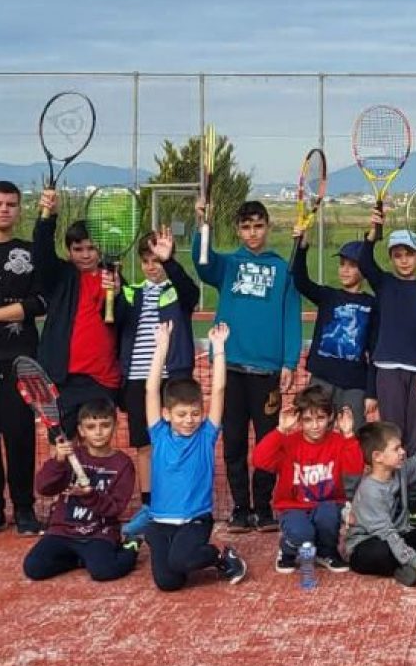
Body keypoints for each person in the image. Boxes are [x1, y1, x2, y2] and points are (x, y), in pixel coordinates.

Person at [194, 199, 300, 533]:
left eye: (258, 226)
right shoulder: (228, 265)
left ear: (267, 227)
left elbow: (291, 317)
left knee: (268, 442)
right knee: (234, 441)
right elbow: (202, 263)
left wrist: (289, 361)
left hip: (267, 371)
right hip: (231, 370)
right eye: (245, 227)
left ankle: (264, 506)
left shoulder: (282, 269)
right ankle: (241, 507)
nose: (252, 233)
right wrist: (202, 224)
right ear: (238, 230)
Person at [143, 322, 247, 590]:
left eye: (195, 413)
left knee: (180, 560)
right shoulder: (159, 434)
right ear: (166, 414)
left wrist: (219, 348)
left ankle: (220, 556)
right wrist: (161, 347)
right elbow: (151, 390)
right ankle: (176, 553)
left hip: (195, 519)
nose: (189, 420)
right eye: (181, 414)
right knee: (169, 583)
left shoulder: (206, 435)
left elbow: (219, 390)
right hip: (161, 521)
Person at [358, 209, 416, 523]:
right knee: (392, 437)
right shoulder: (384, 284)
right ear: (391, 258)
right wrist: (373, 232)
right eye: (397, 255)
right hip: (388, 370)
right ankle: (393, 496)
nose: (404, 260)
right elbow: (365, 262)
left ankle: (414, 500)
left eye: (409, 254)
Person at [115, 227, 199, 525]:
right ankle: (150, 505)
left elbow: (191, 293)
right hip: (138, 380)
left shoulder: (178, 292)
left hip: (172, 378)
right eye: (147, 261)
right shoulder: (130, 293)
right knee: (145, 444)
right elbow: (114, 320)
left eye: (158, 260)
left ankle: (183, 499)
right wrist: (113, 288)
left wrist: (170, 262)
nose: (152, 266)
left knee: (180, 440)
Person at [0, 181, 47, 536]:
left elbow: (40, 302)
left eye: (11, 204)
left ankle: (24, 508)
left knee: (20, 435)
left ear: (19, 210)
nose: (4, 209)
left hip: (19, 359)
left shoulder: (30, 252)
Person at [33, 188, 120, 442]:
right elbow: (41, 252)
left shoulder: (113, 278)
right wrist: (48, 216)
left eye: (91, 248)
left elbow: (123, 320)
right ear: (69, 251)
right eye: (78, 248)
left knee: (98, 444)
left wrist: (116, 294)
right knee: (62, 446)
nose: (85, 254)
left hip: (102, 379)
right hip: (64, 379)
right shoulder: (61, 277)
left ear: (100, 249)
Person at [22, 398, 138, 582]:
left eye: (105, 425)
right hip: (63, 530)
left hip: (99, 532)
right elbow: (43, 487)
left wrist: (90, 495)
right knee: (34, 567)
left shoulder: (123, 464)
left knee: (104, 571)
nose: (98, 432)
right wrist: (58, 461)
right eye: (91, 427)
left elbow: (115, 508)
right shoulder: (71, 456)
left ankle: (131, 546)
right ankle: (79, 559)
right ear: (81, 431)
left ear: (115, 426)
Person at [251, 384, 364, 574]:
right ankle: (287, 550)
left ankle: (327, 552)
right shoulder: (288, 442)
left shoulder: (338, 441)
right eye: (308, 420)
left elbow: (355, 467)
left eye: (320, 418)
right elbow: (259, 460)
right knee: (303, 534)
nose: (315, 425)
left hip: (327, 503)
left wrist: (349, 435)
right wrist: (280, 430)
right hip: (293, 506)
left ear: (330, 417)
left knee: (328, 516)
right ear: (299, 420)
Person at [291, 227, 377, 430]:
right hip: (322, 378)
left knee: (354, 434)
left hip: (355, 384)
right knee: (315, 430)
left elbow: (374, 351)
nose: (344, 270)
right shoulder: (328, 296)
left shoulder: (372, 305)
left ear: (364, 270)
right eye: (342, 264)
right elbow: (300, 281)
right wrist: (302, 247)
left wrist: (372, 392)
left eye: (352, 266)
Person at [344, 421, 416, 586]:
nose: (402, 452)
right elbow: (386, 533)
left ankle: (409, 569)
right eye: (396, 449)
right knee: (381, 551)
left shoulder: (400, 471)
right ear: (378, 457)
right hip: (369, 543)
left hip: (398, 536)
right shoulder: (370, 491)